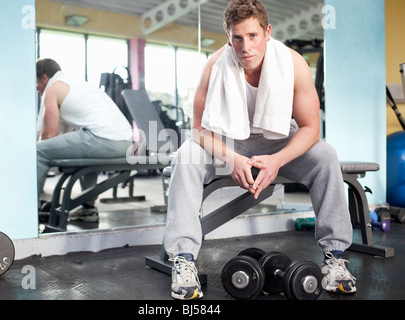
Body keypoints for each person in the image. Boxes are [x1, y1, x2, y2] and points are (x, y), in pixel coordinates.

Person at [162, 0, 356, 300]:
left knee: (325, 155)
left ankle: (336, 256)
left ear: (267, 32)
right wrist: (232, 158)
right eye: (237, 38)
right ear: (228, 37)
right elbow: (199, 129)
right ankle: (183, 259)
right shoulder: (214, 65)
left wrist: (278, 160)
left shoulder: (293, 63)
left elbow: (310, 128)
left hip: (275, 139)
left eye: (252, 36)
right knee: (185, 156)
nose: (245, 46)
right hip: (226, 140)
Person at [36, 58, 133, 222]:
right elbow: (64, 137)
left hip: (102, 139)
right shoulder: (79, 85)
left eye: (36, 83)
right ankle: (88, 209)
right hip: (126, 143)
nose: (37, 88)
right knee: (85, 150)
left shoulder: (52, 89)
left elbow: (48, 136)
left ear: (44, 78)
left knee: (37, 152)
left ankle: (29, 208)